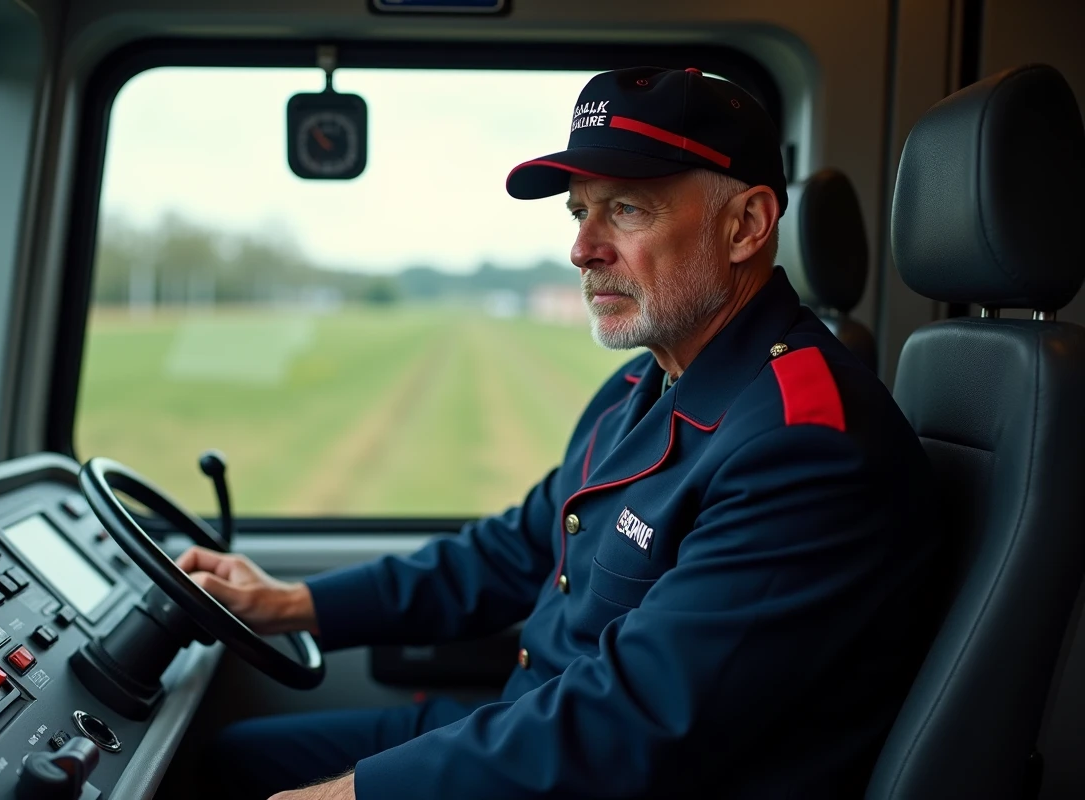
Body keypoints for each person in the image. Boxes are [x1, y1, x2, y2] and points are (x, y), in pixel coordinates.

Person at [177, 67, 941, 800]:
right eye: (581, 212)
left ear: (745, 226)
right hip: (537, 728)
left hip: (617, 771)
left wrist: (355, 795)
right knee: (234, 763)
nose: (583, 249)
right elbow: (512, 549)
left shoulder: (805, 445)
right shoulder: (648, 383)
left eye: (627, 210)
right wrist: (293, 603)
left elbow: (634, 721)